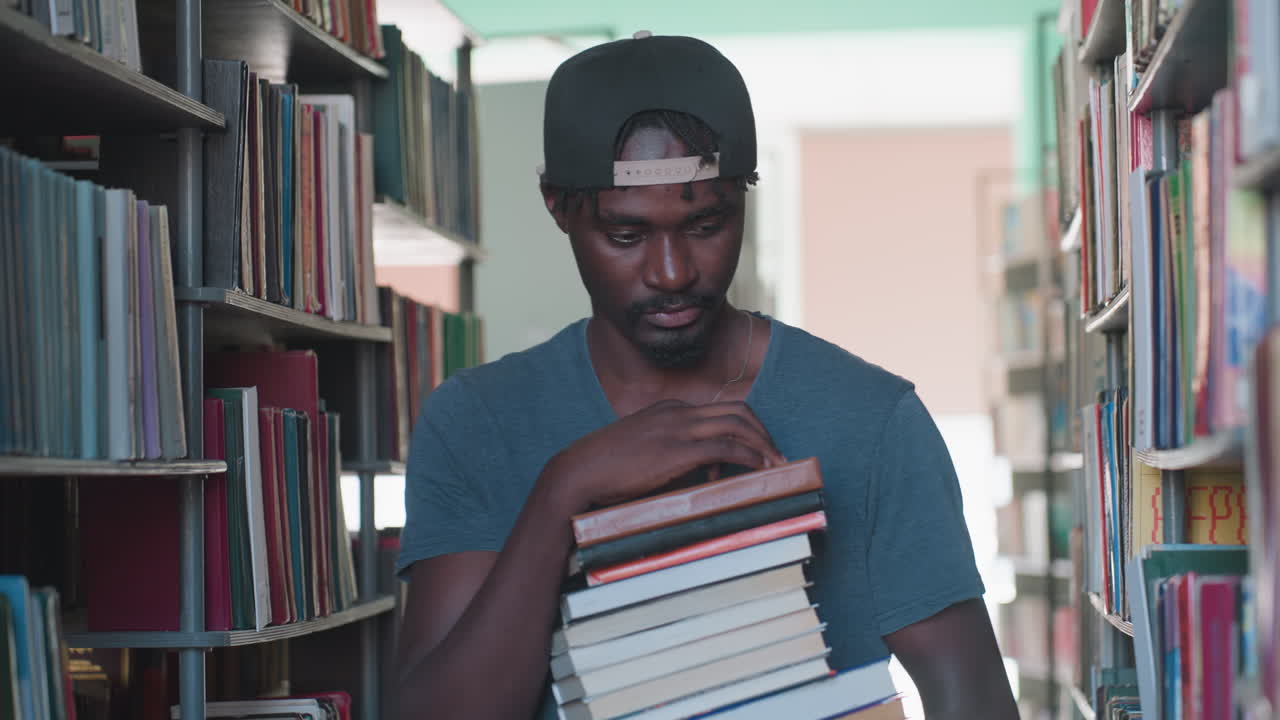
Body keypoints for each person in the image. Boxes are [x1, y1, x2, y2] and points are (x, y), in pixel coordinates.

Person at [394, 32, 1018, 720]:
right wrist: (562, 493)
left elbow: (977, 698)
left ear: (747, 197)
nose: (672, 272)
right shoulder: (475, 421)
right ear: (556, 204)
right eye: (626, 235)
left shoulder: (873, 419)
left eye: (706, 223)